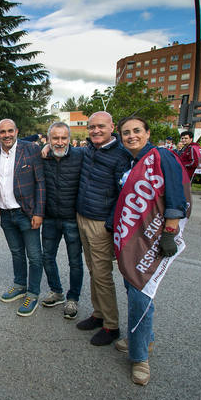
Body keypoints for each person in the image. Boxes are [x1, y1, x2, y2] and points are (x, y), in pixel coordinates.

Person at [114, 116, 188, 385]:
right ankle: (144, 339)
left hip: (153, 239)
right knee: (134, 291)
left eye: (136, 131)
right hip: (130, 240)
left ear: (147, 133)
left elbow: (177, 194)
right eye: (126, 133)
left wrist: (170, 232)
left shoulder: (162, 156)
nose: (131, 136)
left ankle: (139, 358)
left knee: (139, 296)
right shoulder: (131, 161)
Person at [75, 111, 131, 346]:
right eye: (91, 127)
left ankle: (111, 325)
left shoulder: (121, 156)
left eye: (100, 126)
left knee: (102, 274)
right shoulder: (88, 150)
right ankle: (98, 315)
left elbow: (123, 194)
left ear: (112, 127)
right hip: (82, 217)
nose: (95, 131)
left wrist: (110, 223)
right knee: (93, 270)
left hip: (101, 224)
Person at [0, 119, 45, 317]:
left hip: (26, 212)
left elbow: (41, 182)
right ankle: (20, 284)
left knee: (35, 256)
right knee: (16, 253)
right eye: (2, 132)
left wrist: (38, 212)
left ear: (17, 131)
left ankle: (33, 293)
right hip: (5, 212)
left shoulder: (31, 149)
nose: (7, 135)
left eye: (10, 131)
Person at [40, 122, 84, 319]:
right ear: (48, 139)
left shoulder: (80, 155)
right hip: (49, 217)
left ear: (69, 139)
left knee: (75, 262)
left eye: (63, 138)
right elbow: (18, 142)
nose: (59, 142)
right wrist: (43, 146)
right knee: (47, 257)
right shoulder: (43, 156)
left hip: (72, 219)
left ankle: (72, 298)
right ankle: (56, 291)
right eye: (55, 138)